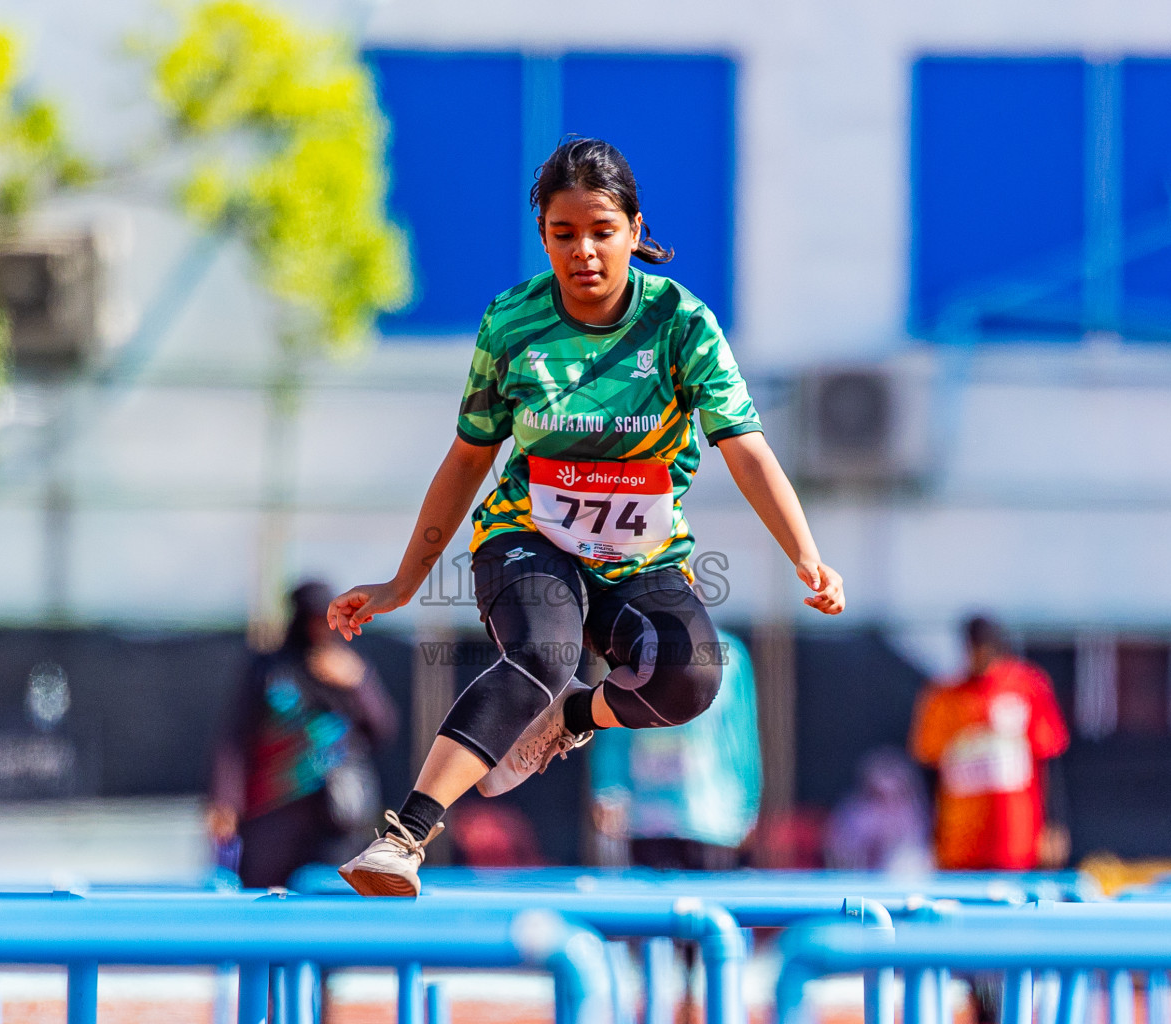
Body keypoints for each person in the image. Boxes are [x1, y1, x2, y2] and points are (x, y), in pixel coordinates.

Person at [327, 138, 846, 897]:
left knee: (692, 680)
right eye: (563, 234)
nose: (584, 253)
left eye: (602, 231)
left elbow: (746, 449)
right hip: (526, 536)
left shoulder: (681, 324)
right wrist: (405, 581)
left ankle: (573, 716)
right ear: (543, 236)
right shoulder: (512, 322)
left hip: (639, 556)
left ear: (634, 230)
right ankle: (402, 838)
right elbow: (467, 459)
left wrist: (805, 553)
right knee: (543, 651)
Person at [208, 580, 398, 889]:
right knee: (264, 895)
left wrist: (359, 685)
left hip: (337, 816)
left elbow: (383, 731)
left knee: (332, 898)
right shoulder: (269, 668)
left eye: (326, 620)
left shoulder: (348, 668)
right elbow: (235, 739)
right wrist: (225, 802)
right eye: (312, 619)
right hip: (273, 811)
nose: (319, 628)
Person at [591, 628, 762, 871]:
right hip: (644, 821)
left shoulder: (729, 655)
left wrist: (746, 809)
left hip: (710, 820)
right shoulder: (624, 653)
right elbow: (612, 734)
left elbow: (741, 738)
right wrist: (609, 790)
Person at [908, 615, 1070, 872]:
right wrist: (932, 834)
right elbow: (930, 769)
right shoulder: (944, 697)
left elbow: (1048, 757)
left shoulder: (1027, 687)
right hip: (960, 842)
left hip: (1016, 839)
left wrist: (1053, 825)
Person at [824, 746, 932, 874]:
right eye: (879, 796)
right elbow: (839, 854)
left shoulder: (915, 815)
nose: (889, 807)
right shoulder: (852, 815)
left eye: (897, 796)